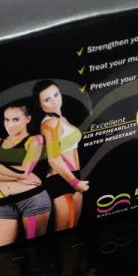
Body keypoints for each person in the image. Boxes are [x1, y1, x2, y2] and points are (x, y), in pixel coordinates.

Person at [0, 103, 51, 248]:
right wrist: (18, 176)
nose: (10, 125)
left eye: (16, 119)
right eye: (7, 120)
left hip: (33, 201)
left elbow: (23, 171)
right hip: (6, 204)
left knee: (34, 251)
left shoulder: (35, 140)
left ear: (27, 119)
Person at [32, 80, 89, 230]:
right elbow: (53, 159)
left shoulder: (63, 119)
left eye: (56, 95)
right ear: (40, 104)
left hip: (74, 176)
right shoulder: (49, 123)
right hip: (61, 179)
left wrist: (76, 180)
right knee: (64, 234)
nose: (54, 101)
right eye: (47, 99)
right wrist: (75, 183)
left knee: (73, 230)